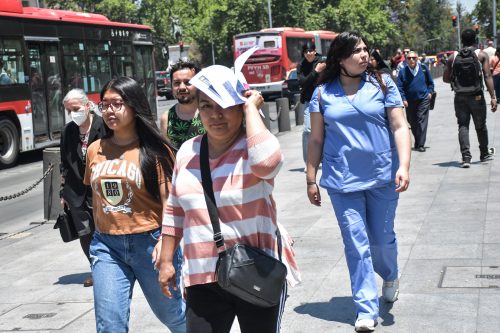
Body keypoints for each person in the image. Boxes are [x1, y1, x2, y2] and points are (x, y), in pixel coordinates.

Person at [158, 65, 299, 333]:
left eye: (225, 104)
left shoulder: (252, 146)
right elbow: (175, 209)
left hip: (255, 269)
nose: (216, 114)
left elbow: (268, 164)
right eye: (207, 106)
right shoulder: (188, 151)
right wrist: (166, 261)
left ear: (239, 106)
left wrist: (251, 107)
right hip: (202, 274)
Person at [306, 31, 411, 332]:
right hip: (342, 181)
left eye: (366, 49)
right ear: (340, 58)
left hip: (382, 176)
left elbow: (400, 126)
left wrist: (403, 165)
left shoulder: (382, 83)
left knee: (381, 239)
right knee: (356, 244)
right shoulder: (322, 94)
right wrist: (311, 178)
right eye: (357, 51)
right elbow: (316, 140)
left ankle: (389, 274)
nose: (365, 55)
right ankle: (366, 308)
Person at [83, 77, 186, 333]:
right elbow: (94, 195)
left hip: (151, 243)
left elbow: (171, 204)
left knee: (174, 316)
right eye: (104, 104)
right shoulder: (95, 149)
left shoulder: (156, 150)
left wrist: (166, 245)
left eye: (117, 104)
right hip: (107, 246)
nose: (109, 110)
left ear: (134, 105)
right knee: (109, 325)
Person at [60, 89, 106, 287]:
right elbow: (64, 164)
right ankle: (96, 270)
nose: (73, 113)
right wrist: (63, 193)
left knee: (102, 231)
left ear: (88, 106)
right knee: (85, 233)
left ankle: (109, 268)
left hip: (100, 190)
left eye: (76, 109)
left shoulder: (103, 126)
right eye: (69, 110)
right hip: (75, 192)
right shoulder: (68, 131)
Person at [443, 28, 497, 168]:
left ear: (462, 40)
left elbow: (445, 78)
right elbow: (487, 76)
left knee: (463, 125)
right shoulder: (481, 55)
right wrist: (493, 97)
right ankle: (484, 152)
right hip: (477, 96)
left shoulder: (453, 57)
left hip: (460, 96)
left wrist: (458, 80)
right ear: (475, 40)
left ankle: (466, 157)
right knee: (480, 125)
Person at [160, 60, 206, 149]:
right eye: (177, 83)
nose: (182, 87)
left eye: (187, 82)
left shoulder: (209, 112)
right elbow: (167, 153)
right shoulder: (167, 118)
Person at [397, 51, 435, 152]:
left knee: (421, 119)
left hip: (423, 99)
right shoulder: (402, 72)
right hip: (409, 102)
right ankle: (418, 142)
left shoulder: (423, 68)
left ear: (417, 58)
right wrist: (403, 99)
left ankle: (421, 144)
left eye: (414, 58)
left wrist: (430, 93)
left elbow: (430, 83)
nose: (412, 60)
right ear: (406, 59)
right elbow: (399, 88)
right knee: (412, 122)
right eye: (409, 58)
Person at [297, 41, 326, 166]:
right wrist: (315, 71)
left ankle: (325, 157)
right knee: (308, 130)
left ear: (315, 51)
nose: (308, 54)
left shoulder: (323, 61)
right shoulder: (301, 65)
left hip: (324, 99)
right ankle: (308, 161)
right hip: (309, 101)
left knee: (326, 129)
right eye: (306, 52)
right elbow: (303, 83)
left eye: (310, 51)